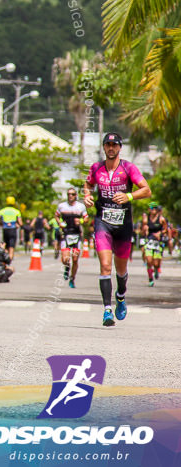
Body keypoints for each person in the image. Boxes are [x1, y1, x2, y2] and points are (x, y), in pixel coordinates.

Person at [83, 132, 150, 327]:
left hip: (124, 224)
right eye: (108, 145)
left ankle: (120, 295)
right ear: (104, 147)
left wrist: (129, 197)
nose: (111, 148)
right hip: (103, 222)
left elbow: (146, 189)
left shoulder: (128, 168)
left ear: (120, 148)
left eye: (114, 145)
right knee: (105, 265)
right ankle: (106, 310)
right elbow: (88, 184)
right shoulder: (96, 168)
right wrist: (87, 196)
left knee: (121, 270)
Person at [56, 188, 88, 288]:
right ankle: (66, 268)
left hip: (77, 235)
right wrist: (59, 223)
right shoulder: (62, 206)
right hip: (66, 235)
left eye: (73, 194)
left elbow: (86, 218)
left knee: (75, 259)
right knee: (65, 259)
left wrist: (81, 221)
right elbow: (56, 216)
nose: (70, 196)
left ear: (76, 196)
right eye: (69, 194)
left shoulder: (81, 206)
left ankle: (72, 278)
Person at [142, 203, 167, 287]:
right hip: (149, 242)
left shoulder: (161, 219)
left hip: (158, 243)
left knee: (156, 263)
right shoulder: (146, 219)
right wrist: (144, 230)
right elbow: (143, 231)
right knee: (149, 261)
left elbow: (165, 230)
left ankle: (156, 269)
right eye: (151, 208)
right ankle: (150, 279)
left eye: (155, 208)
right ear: (149, 209)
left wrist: (160, 233)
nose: (153, 210)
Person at [0, 197, 22, 262]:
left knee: (6, 244)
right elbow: (21, 223)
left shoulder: (2, 210)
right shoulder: (16, 211)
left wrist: (0, 223)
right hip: (13, 229)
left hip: (5, 229)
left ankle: (5, 258)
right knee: (12, 245)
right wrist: (17, 224)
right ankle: (10, 259)